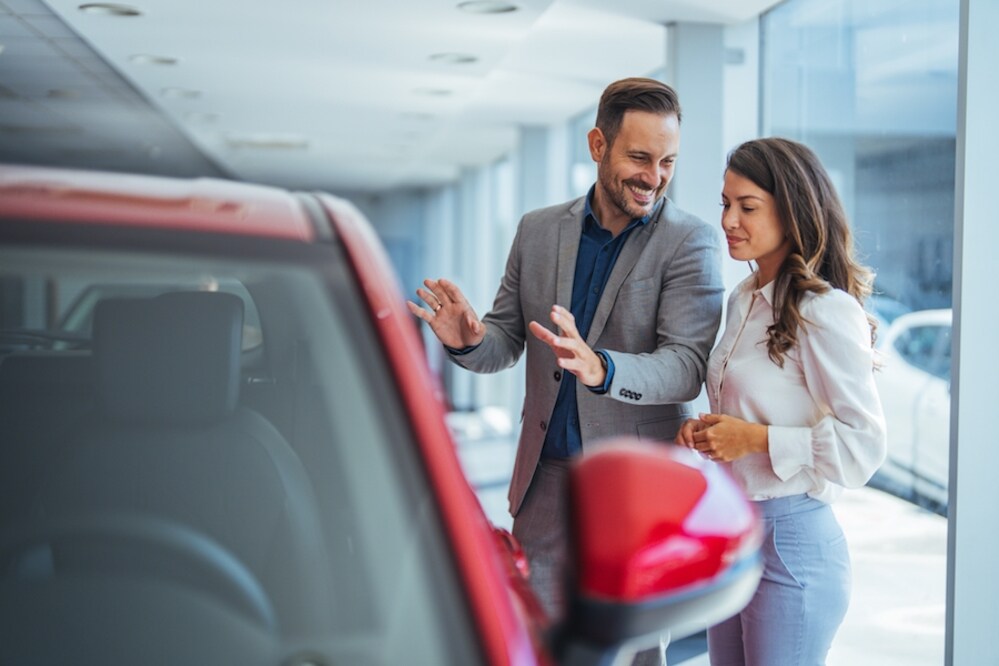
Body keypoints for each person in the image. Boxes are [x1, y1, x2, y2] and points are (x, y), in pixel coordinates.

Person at [407, 77, 724, 665]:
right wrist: (468, 341)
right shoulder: (537, 230)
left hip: (633, 494)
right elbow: (506, 339)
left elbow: (686, 367)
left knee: (631, 655)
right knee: (538, 647)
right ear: (598, 145)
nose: (654, 177)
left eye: (667, 162)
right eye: (639, 157)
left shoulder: (691, 243)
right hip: (545, 486)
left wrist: (601, 367)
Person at [676, 137, 888, 666]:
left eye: (747, 207)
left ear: (791, 212)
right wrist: (710, 432)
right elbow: (758, 404)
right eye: (725, 204)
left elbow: (864, 447)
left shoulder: (825, 310)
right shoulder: (742, 298)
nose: (728, 220)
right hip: (732, 533)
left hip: (792, 545)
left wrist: (753, 438)